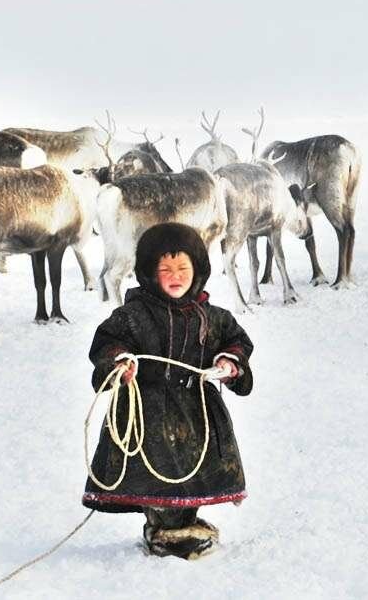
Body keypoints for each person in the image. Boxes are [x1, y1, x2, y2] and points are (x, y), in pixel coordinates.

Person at [83, 222, 254, 559]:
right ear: (149, 273)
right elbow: (107, 342)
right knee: (156, 474)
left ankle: (182, 525)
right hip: (147, 413)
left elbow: (238, 342)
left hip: (197, 411)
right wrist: (119, 361)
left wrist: (230, 363)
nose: (175, 276)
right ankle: (164, 525)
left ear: (198, 271)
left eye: (183, 268)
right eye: (165, 269)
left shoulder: (212, 316)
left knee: (194, 472)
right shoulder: (132, 314)